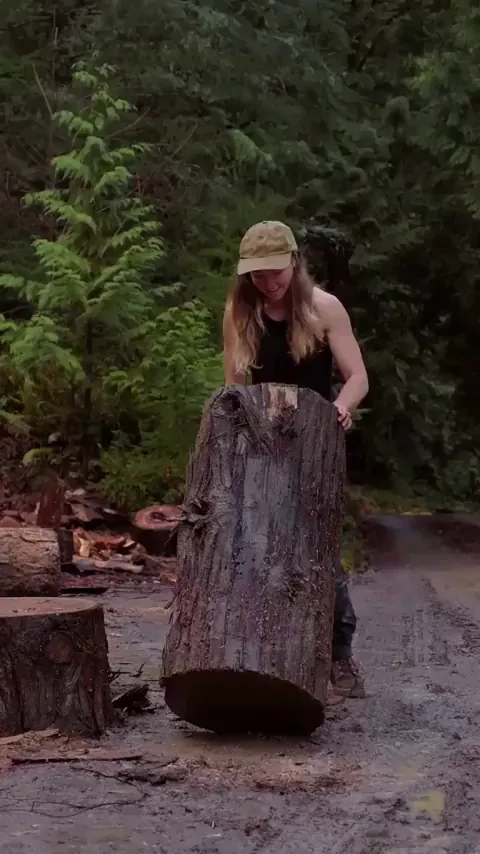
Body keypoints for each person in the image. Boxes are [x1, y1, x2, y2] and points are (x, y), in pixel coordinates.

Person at [222, 220, 369, 699]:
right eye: (258, 274)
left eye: (276, 270)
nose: (268, 281)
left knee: (319, 548)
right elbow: (233, 389)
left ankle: (340, 654)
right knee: (259, 548)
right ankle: (265, 657)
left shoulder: (324, 307)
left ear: (294, 262)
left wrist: (340, 408)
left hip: (315, 443)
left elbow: (358, 377)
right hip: (259, 446)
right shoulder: (241, 313)